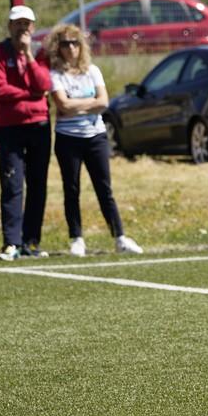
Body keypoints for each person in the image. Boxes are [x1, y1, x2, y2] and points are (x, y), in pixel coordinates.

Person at [46, 24, 142, 257]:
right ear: (58, 48)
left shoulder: (93, 71)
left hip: (96, 137)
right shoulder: (55, 75)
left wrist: (77, 105)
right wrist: (88, 104)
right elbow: (63, 105)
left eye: (75, 43)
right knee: (72, 189)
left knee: (104, 188)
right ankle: (77, 238)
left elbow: (103, 102)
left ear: (81, 46)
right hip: (68, 139)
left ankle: (120, 237)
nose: (71, 48)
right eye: (65, 43)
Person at [0, 5, 52, 260]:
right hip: (10, 127)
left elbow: (44, 83)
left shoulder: (40, 52)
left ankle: (31, 242)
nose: (22, 28)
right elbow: (0, 90)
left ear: (33, 27)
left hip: (39, 125)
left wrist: (28, 55)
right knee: (12, 184)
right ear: (10, 26)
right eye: (17, 24)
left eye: (26, 24)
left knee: (38, 184)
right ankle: (11, 243)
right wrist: (31, 94)